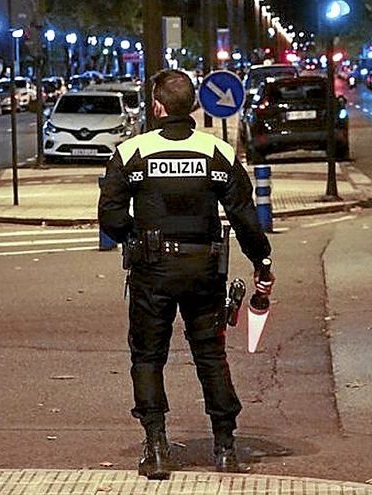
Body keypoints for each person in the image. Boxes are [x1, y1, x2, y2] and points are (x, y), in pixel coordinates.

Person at [98, 69, 274, 479]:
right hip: (203, 269)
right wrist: (262, 261)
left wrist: (136, 239)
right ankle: (225, 446)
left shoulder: (132, 154)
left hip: (152, 271)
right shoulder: (218, 154)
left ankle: (156, 447)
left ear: (157, 106)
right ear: (192, 105)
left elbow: (109, 217)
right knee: (210, 355)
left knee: (147, 356)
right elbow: (245, 218)